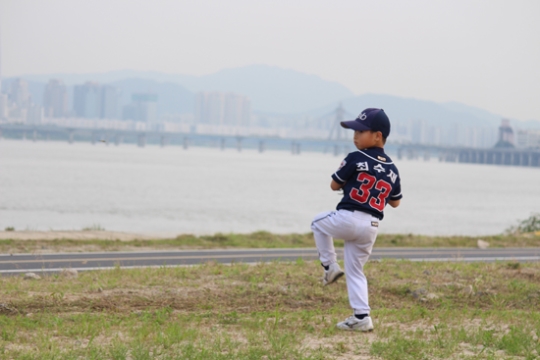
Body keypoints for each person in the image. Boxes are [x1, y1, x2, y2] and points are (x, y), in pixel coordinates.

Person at [311, 108, 402, 332]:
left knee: (317, 222)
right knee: (355, 271)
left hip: (349, 218)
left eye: (361, 131)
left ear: (377, 136)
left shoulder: (355, 158)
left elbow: (334, 185)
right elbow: (395, 202)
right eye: (354, 131)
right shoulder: (392, 169)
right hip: (371, 226)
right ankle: (362, 317)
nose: (355, 135)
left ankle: (329, 266)